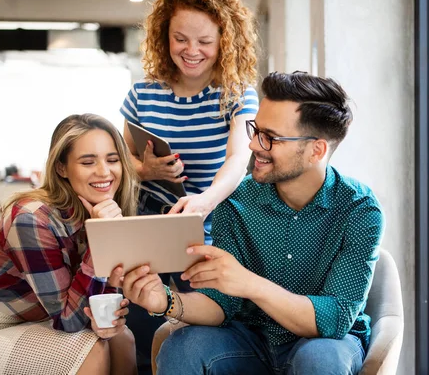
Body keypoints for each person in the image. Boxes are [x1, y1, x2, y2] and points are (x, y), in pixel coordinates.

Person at [122, 71, 385, 374]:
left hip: (325, 344)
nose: (253, 146)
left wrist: (248, 283)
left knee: (319, 359)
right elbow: (220, 302)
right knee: (182, 347)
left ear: (317, 150)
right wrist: (164, 300)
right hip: (248, 340)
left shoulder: (359, 210)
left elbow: (334, 320)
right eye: (255, 130)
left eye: (270, 138)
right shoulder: (237, 201)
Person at [0, 114, 140, 375]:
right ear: (61, 168)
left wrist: (106, 322)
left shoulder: (103, 212)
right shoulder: (31, 218)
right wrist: (102, 237)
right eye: (88, 162)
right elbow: (69, 321)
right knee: (91, 348)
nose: (104, 171)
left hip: (22, 326)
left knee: (122, 338)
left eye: (112, 160)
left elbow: (100, 301)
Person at [120, 0, 259, 244]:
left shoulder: (238, 96)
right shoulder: (142, 94)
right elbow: (122, 158)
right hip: (147, 225)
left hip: (209, 227)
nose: (192, 51)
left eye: (205, 41)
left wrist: (204, 202)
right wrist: (145, 171)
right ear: (165, 36)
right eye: (180, 39)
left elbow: (239, 159)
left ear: (225, 42)